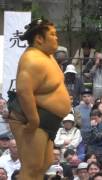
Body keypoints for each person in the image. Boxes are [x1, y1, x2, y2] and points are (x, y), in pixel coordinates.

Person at [7, 18, 71, 180]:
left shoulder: (47, 57)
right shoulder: (31, 59)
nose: (56, 38)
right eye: (52, 34)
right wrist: (33, 120)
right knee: (32, 166)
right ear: (39, 39)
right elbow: (24, 91)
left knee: (45, 163)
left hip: (48, 120)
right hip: (33, 117)